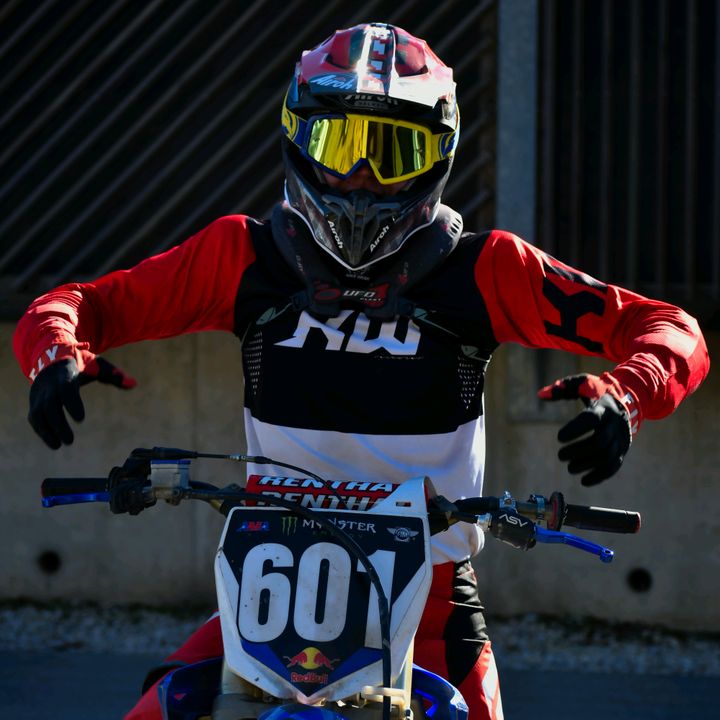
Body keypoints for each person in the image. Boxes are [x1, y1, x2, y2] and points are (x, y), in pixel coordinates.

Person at [13, 22, 709, 720]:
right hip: (267, 590)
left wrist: (628, 394)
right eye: (339, 147)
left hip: (428, 603)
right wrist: (55, 350)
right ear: (297, 139)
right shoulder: (244, 257)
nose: (362, 179)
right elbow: (82, 304)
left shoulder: (485, 269)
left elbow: (669, 328)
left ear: (438, 156)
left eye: (393, 153)